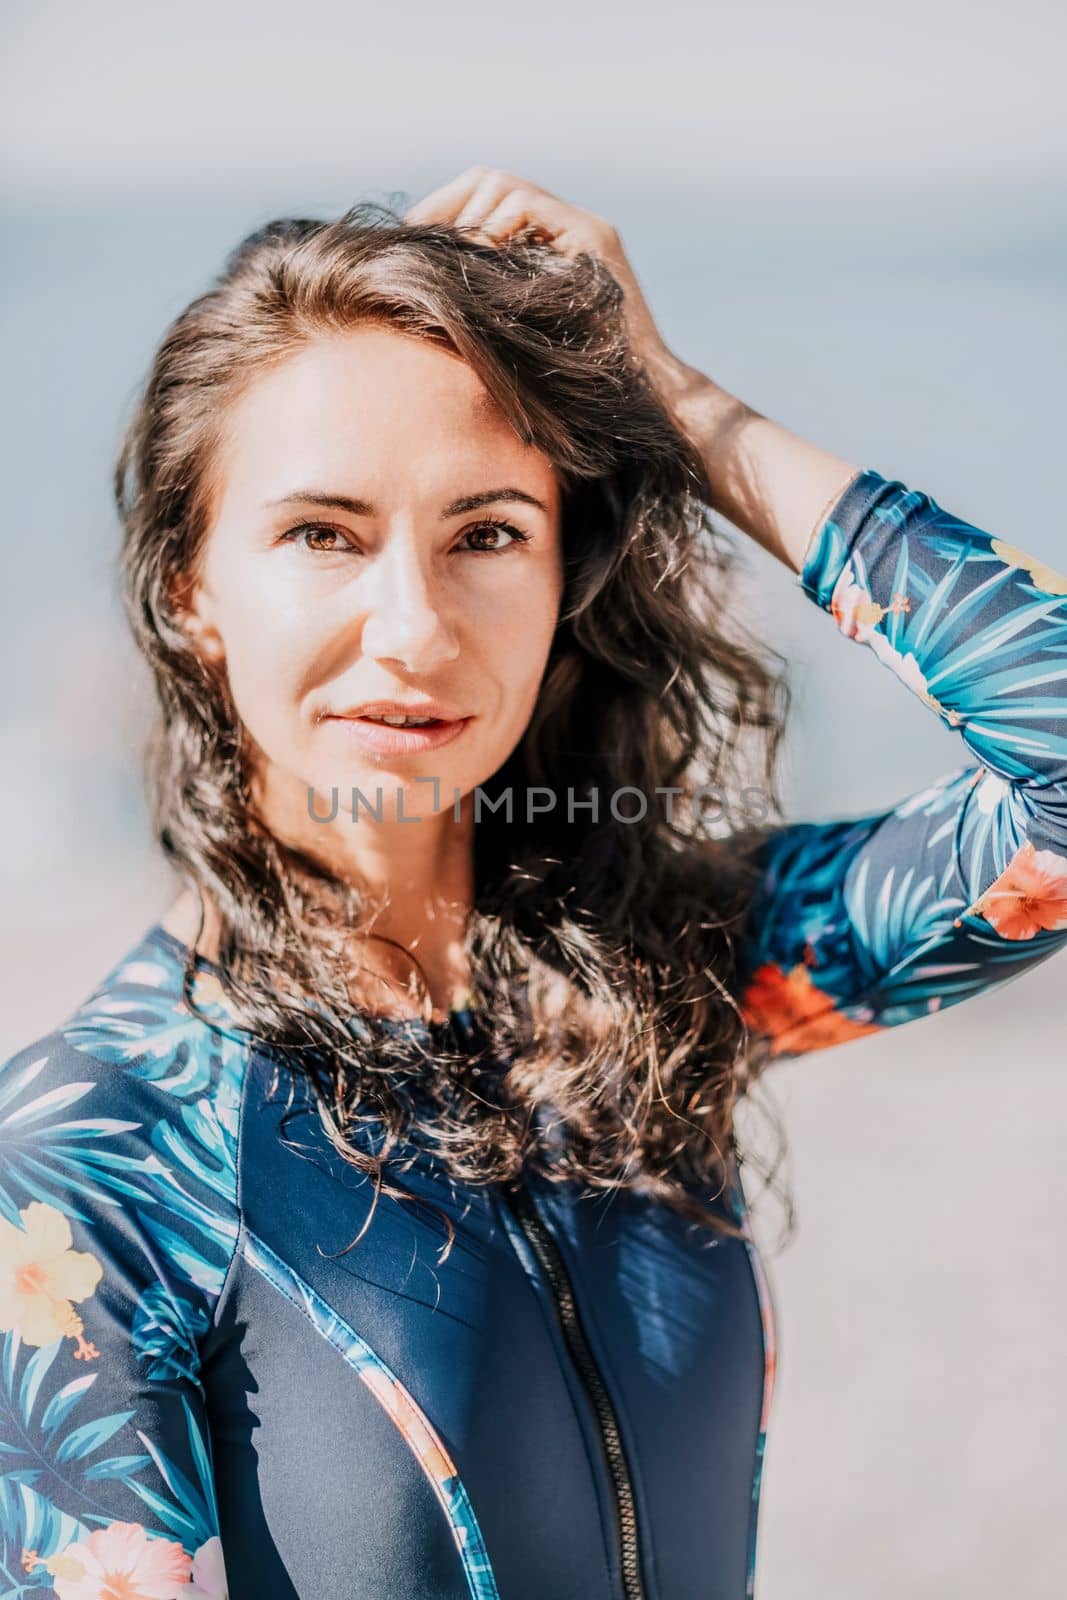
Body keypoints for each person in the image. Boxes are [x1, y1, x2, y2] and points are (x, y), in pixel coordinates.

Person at [0, 168, 1064, 1600]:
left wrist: (674, 401)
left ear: (565, 578)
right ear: (192, 589)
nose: (414, 626)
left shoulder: (658, 977)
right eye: (323, 533)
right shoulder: (100, 1157)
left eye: (488, 533)